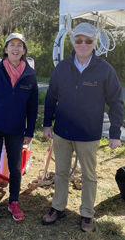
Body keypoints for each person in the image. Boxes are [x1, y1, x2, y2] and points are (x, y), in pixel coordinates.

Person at [41, 22, 124, 232]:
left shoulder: (105, 70)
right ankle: (57, 207)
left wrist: (115, 133)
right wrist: (47, 125)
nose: (83, 44)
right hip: (62, 132)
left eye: (88, 40)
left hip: (88, 135)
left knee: (89, 176)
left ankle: (87, 214)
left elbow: (116, 101)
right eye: (79, 40)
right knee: (60, 173)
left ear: (95, 43)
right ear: (74, 42)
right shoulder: (62, 67)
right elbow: (51, 97)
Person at [0, 33, 38, 224]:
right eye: (12, 44)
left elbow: (33, 106)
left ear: (24, 50)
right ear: (5, 49)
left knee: (15, 169)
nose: (15, 48)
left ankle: (13, 202)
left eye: (19, 45)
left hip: (16, 129)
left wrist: (29, 131)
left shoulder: (30, 74)